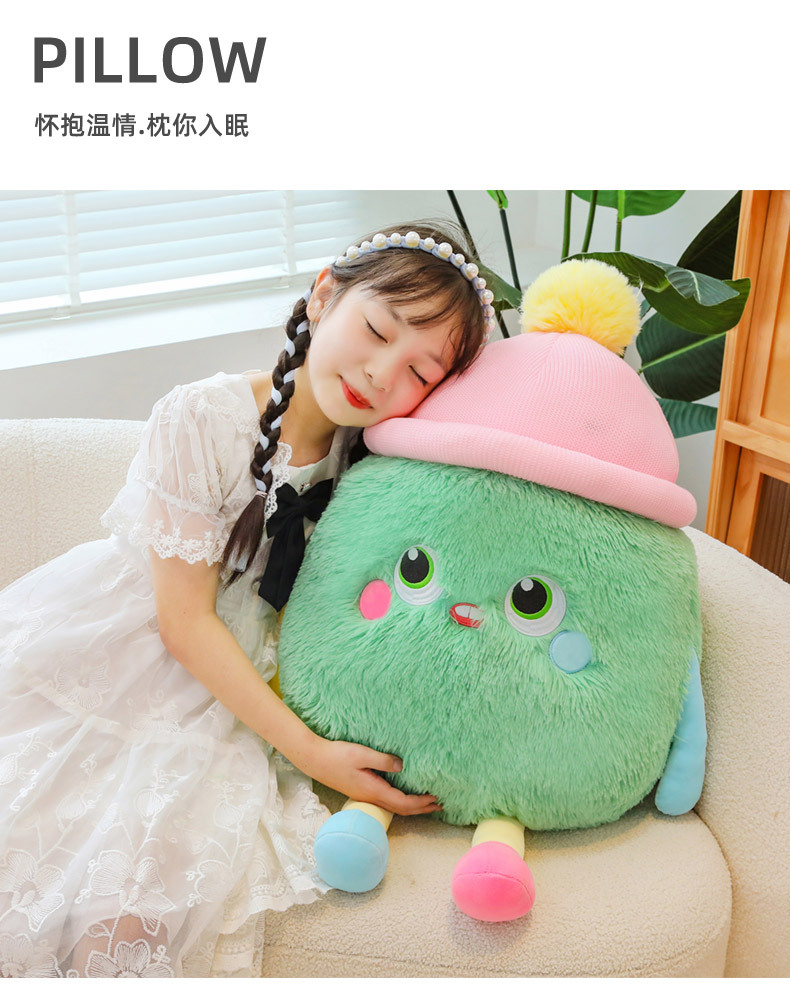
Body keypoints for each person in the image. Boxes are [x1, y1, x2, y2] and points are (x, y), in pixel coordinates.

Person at [0, 222, 494, 977]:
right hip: (140, 650)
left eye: (419, 371)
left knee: (141, 894)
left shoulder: (376, 459)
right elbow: (183, 622)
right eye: (376, 330)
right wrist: (312, 752)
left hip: (259, 669)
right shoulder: (202, 417)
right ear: (324, 295)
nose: (380, 373)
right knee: (68, 857)